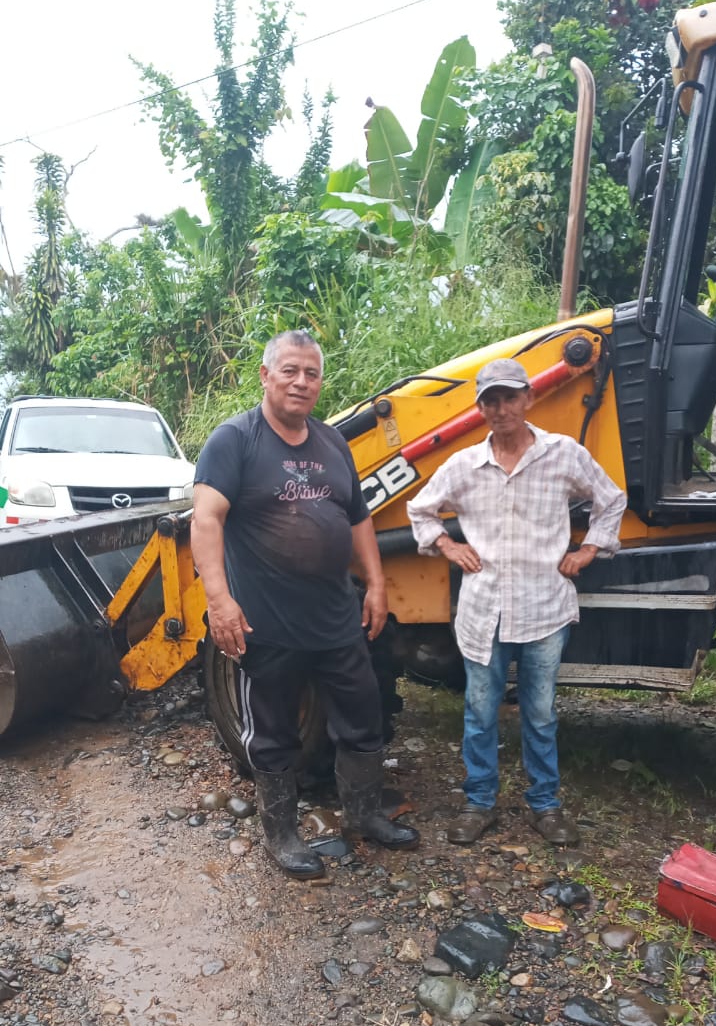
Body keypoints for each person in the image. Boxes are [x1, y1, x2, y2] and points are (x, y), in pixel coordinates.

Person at [191, 329, 419, 880]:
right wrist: (219, 601)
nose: (300, 382)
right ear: (266, 376)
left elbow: (358, 517)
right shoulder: (234, 440)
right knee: (274, 734)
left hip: (336, 617)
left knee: (363, 716)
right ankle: (281, 834)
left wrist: (377, 584)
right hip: (267, 623)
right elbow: (206, 520)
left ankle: (364, 814)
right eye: (289, 371)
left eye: (311, 373)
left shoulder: (331, 442)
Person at [407, 357, 626, 847]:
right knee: (479, 711)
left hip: (545, 607)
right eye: (491, 400)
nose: (501, 408)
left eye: (509, 397)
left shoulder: (562, 454)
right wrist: (447, 545)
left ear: (528, 398)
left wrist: (588, 549)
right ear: (480, 408)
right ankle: (479, 802)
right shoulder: (464, 466)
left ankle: (545, 804)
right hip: (483, 610)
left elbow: (610, 498)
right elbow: (420, 510)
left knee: (540, 712)